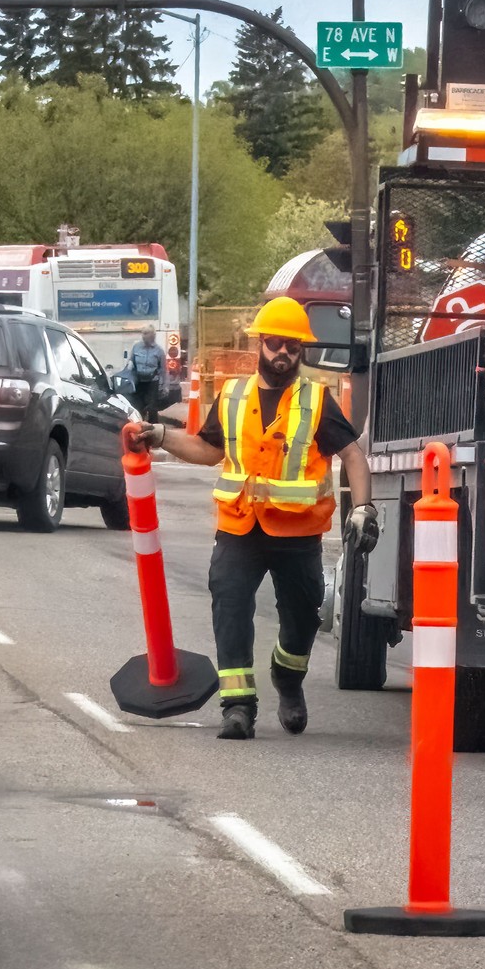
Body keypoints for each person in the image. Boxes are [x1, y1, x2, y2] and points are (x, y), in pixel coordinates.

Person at [132, 297, 379, 740]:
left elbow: (353, 457)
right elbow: (210, 450)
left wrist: (363, 509)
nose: (281, 352)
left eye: (291, 345)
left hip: (297, 532)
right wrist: (162, 436)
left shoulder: (317, 400)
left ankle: (287, 678)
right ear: (259, 344)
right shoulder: (233, 395)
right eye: (274, 343)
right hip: (239, 528)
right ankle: (238, 707)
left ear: (301, 351)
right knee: (230, 605)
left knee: (303, 616)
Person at [127, 326, 167, 423]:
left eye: (146, 333)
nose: (144, 336)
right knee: (137, 406)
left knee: (152, 408)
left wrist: (164, 386)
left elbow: (163, 370)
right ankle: (137, 427)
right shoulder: (136, 347)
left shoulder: (159, 351)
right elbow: (130, 362)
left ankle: (154, 430)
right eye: (143, 333)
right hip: (139, 381)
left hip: (152, 382)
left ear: (153, 336)